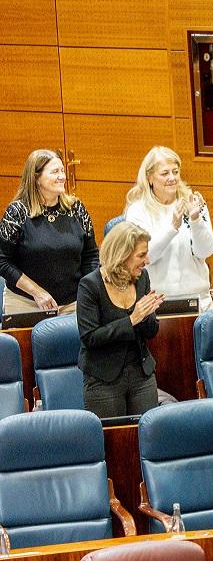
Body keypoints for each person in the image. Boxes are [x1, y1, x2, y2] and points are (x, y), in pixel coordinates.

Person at [76, 221, 164, 418]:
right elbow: (90, 337)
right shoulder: (90, 286)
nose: (147, 260)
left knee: (146, 438)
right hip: (103, 378)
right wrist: (132, 319)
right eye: (141, 255)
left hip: (141, 375)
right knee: (113, 443)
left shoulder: (142, 278)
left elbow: (151, 332)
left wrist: (148, 314)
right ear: (122, 255)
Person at [0, 149, 98, 314]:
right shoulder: (17, 212)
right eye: (55, 172)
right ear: (36, 178)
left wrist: (89, 292)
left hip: (74, 304)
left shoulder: (77, 208)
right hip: (26, 303)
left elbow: (91, 256)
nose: (62, 176)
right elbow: (3, 262)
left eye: (62, 170)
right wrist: (37, 292)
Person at [123, 146, 213, 307]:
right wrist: (172, 228)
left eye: (175, 172)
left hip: (198, 300)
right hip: (157, 302)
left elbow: (206, 251)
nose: (172, 178)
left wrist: (196, 220)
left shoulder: (192, 202)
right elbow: (146, 258)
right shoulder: (138, 211)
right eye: (165, 173)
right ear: (150, 178)